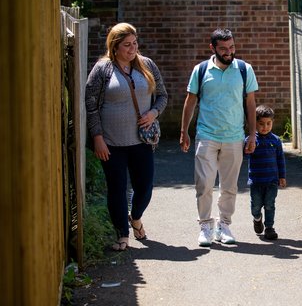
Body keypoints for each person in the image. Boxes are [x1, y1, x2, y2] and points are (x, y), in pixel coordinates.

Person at [85, 22, 168, 251]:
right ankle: (122, 234)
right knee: (117, 188)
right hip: (111, 143)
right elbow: (91, 105)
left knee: (145, 187)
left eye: (135, 43)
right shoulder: (103, 69)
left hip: (142, 141)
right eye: (127, 45)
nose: (133, 49)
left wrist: (153, 113)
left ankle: (136, 217)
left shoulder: (147, 65)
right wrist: (97, 137)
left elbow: (162, 96)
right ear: (115, 46)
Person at [180, 28, 258, 247]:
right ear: (212, 47)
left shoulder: (244, 69)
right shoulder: (202, 69)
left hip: (234, 136)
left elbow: (250, 104)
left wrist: (252, 134)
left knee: (229, 186)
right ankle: (205, 225)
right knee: (203, 183)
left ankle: (224, 225)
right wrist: (184, 131)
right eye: (223, 48)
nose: (229, 52)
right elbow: (190, 100)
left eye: (231, 47)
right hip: (206, 135)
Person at [245, 105, 287, 240]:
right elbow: (244, 155)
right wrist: (247, 149)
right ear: (255, 123)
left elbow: (280, 160)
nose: (265, 127)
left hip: (271, 181)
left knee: (270, 205)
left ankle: (269, 227)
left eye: (268, 123)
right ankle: (257, 218)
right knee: (256, 206)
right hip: (256, 181)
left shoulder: (275, 140)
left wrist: (282, 176)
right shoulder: (251, 140)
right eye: (261, 124)